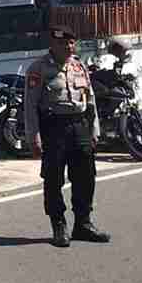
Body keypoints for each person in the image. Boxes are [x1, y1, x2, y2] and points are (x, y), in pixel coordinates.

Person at [26, 26, 110, 248]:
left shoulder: (79, 66)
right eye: (63, 43)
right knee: (53, 178)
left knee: (85, 176)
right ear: (52, 44)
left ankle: (83, 223)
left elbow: (90, 100)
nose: (68, 47)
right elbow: (30, 105)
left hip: (80, 125)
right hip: (54, 128)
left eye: (71, 43)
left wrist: (94, 129)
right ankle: (59, 225)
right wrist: (34, 136)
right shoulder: (38, 68)